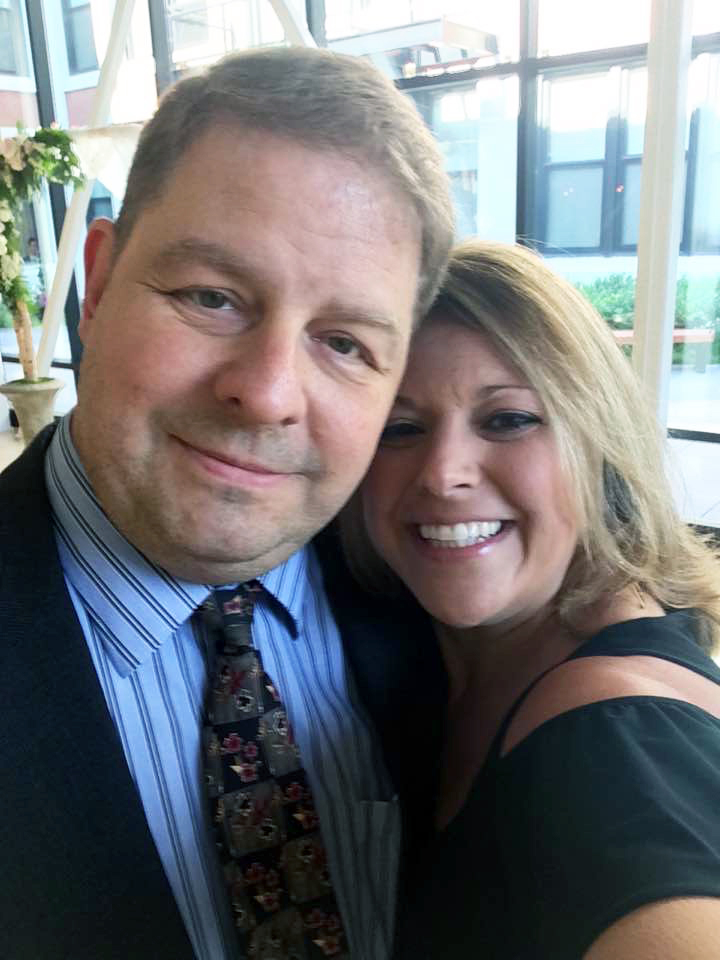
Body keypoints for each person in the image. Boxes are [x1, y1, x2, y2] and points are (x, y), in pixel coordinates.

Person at [0, 47, 454, 960]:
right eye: (211, 297)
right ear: (99, 285)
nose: (268, 393)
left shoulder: (433, 597)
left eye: (345, 344)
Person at [343, 241, 720, 959]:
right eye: (400, 428)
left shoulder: (616, 741)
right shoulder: (429, 655)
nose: (443, 474)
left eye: (508, 419)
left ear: (598, 441)